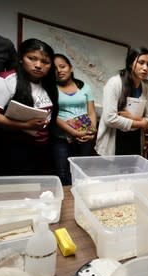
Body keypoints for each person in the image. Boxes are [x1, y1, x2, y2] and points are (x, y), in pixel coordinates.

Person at [0, 38, 58, 176]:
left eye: (45, 62)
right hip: (11, 150)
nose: (38, 65)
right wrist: (26, 125)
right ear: (21, 58)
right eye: (32, 58)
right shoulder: (7, 80)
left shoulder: (48, 85)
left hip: (41, 148)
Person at [95, 47, 148, 156]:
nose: (145, 68)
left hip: (135, 141)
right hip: (114, 142)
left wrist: (133, 118)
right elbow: (110, 119)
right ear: (131, 64)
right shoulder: (115, 83)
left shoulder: (146, 90)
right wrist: (141, 123)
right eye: (141, 63)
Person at [52, 53, 97, 185]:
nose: (59, 71)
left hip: (84, 137)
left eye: (62, 66)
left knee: (82, 172)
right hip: (61, 138)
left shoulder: (85, 87)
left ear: (70, 68)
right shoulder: (51, 89)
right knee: (62, 173)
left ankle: (79, 201)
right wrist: (73, 133)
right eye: (55, 68)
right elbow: (53, 115)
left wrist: (91, 132)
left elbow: (92, 112)